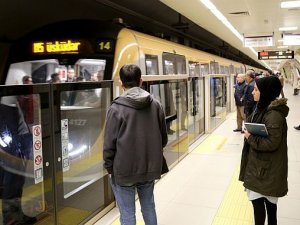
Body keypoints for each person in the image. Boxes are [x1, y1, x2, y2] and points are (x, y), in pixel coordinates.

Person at [103, 64, 168, 225]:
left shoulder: (116, 108)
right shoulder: (156, 104)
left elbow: (109, 144)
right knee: (148, 207)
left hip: (124, 170)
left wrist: (109, 167)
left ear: (121, 83)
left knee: (127, 213)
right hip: (149, 167)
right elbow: (163, 139)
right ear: (141, 81)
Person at [239, 76, 288, 225]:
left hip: (265, 171)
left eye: (256, 89)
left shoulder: (273, 115)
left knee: (260, 208)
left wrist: (249, 137)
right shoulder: (264, 109)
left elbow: (272, 143)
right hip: (264, 168)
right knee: (270, 208)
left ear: (265, 92)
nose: (253, 92)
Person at [0, 102, 36, 225]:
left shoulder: (11, 101)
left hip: (18, 144)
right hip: (12, 147)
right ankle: (10, 219)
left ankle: (16, 214)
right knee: (12, 182)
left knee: (18, 182)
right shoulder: (6, 101)